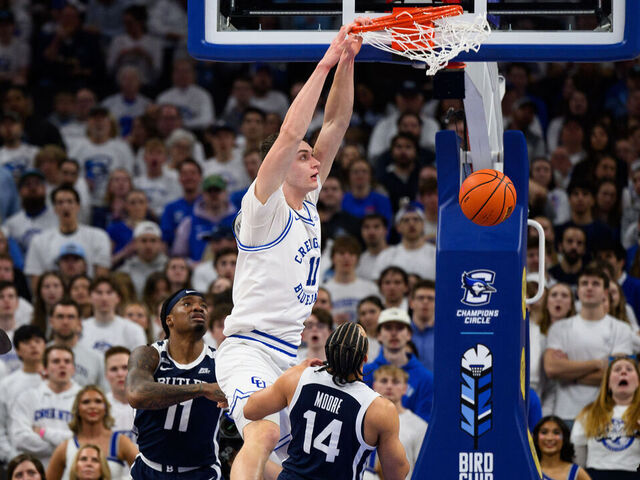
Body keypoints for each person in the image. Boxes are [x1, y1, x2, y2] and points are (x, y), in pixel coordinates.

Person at [214, 24, 366, 480]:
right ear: (279, 167)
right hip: (247, 349)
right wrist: (325, 59)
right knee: (260, 436)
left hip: (290, 355)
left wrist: (348, 62)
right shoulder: (264, 207)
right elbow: (288, 132)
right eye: (303, 157)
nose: (314, 159)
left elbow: (336, 122)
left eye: (312, 155)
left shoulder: (310, 202)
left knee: (300, 465)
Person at [244, 322, 410, 480]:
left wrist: (299, 369)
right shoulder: (379, 409)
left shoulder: (297, 377)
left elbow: (250, 410)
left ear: (328, 350)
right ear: (365, 359)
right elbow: (396, 474)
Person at [125, 289, 227, 479]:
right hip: (149, 470)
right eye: (187, 304)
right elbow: (136, 394)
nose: (198, 307)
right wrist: (202, 388)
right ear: (169, 320)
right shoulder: (148, 354)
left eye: (203, 306)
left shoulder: (220, 361)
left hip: (200, 473)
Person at [544, 265, 633, 424]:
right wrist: (598, 363)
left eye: (595, 284)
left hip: (605, 413)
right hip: (566, 413)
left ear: (606, 292)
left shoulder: (622, 329)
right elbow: (552, 369)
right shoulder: (559, 328)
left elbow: (617, 376)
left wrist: (569, 374)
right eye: (584, 283)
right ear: (577, 291)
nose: (589, 288)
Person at [46, 385, 137, 480]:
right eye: (86, 402)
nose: (92, 406)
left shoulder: (120, 442)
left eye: (98, 401)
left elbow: (144, 471)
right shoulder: (66, 446)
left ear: (105, 408)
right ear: (77, 409)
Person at [571, 356, 640, 479]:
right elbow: (579, 458)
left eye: (629, 369)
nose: (623, 372)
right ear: (608, 383)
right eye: (617, 369)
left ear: (638, 382)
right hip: (596, 475)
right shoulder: (589, 413)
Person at [11, 345, 81, 467]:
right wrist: (65, 446)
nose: (62, 365)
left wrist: (43, 432)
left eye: (67, 361)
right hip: (37, 472)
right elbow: (20, 439)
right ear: (45, 368)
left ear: (73, 368)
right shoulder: (28, 397)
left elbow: (82, 440)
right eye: (56, 361)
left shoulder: (84, 398)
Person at [370, 365, 428, 480]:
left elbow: (422, 469)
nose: (389, 386)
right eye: (384, 381)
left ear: (405, 388)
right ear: (374, 386)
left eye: (396, 382)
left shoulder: (419, 426)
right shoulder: (362, 419)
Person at [0, 325, 46, 464]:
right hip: (15, 460)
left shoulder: (59, 382)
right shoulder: (6, 385)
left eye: (37, 341)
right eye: (27, 342)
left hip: (56, 458)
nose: (33, 346)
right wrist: (13, 457)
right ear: (18, 350)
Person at [81, 277, 147, 355]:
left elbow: (140, 363)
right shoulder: (80, 329)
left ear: (118, 298)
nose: (104, 298)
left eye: (109, 292)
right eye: (99, 292)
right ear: (90, 297)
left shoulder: (134, 330)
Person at [321, 235, 378, 325]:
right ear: (333, 258)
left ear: (358, 259)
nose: (346, 258)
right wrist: (332, 321)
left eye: (351, 253)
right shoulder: (323, 291)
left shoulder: (371, 289)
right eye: (342, 253)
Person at [49, 299, 106, 389]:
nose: (65, 322)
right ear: (51, 322)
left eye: (70, 317)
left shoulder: (96, 358)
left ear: (79, 323)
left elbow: (105, 393)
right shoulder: (41, 354)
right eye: (60, 317)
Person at [533, 416, 590, 480]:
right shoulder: (529, 469)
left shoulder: (576, 472)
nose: (550, 438)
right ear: (536, 438)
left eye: (556, 433)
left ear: (564, 438)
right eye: (544, 432)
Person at [103, 347, 135, 440]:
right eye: (114, 369)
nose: (120, 374)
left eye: (125, 368)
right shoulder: (99, 407)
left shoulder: (150, 405)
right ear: (106, 375)